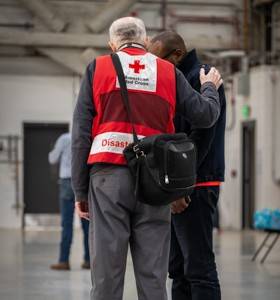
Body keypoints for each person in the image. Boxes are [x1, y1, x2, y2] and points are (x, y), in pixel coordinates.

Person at [72, 17, 223, 300]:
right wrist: (209, 87)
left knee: (106, 272)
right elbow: (205, 116)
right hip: (154, 182)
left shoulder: (98, 68)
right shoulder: (167, 71)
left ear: (112, 45)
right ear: (144, 42)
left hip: (107, 178)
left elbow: (81, 134)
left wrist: (80, 190)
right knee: (153, 275)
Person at [148, 31, 226, 300]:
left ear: (177, 55)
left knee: (199, 268)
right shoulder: (173, 78)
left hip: (196, 184)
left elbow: (201, 136)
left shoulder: (202, 78)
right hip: (178, 185)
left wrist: (182, 187)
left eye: (157, 59)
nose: (152, 65)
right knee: (177, 269)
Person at [48, 132, 90, 270]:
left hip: (67, 182)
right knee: (87, 224)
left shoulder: (64, 138)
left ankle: (64, 261)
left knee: (67, 223)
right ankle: (88, 260)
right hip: (84, 182)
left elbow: (52, 159)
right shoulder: (88, 137)